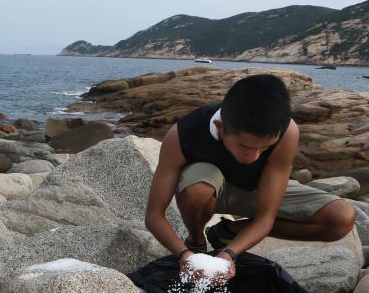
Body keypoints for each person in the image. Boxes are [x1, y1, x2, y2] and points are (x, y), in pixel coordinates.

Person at [145, 73, 356, 282]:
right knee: (198, 191)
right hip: (208, 190)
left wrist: (229, 254)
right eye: (244, 146)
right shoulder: (183, 134)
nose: (253, 157)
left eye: (265, 148)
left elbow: (266, 216)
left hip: (258, 189)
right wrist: (185, 255)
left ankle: (227, 233)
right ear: (221, 127)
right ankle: (196, 240)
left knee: (341, 219)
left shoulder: (286, 132)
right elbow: (154, 215)